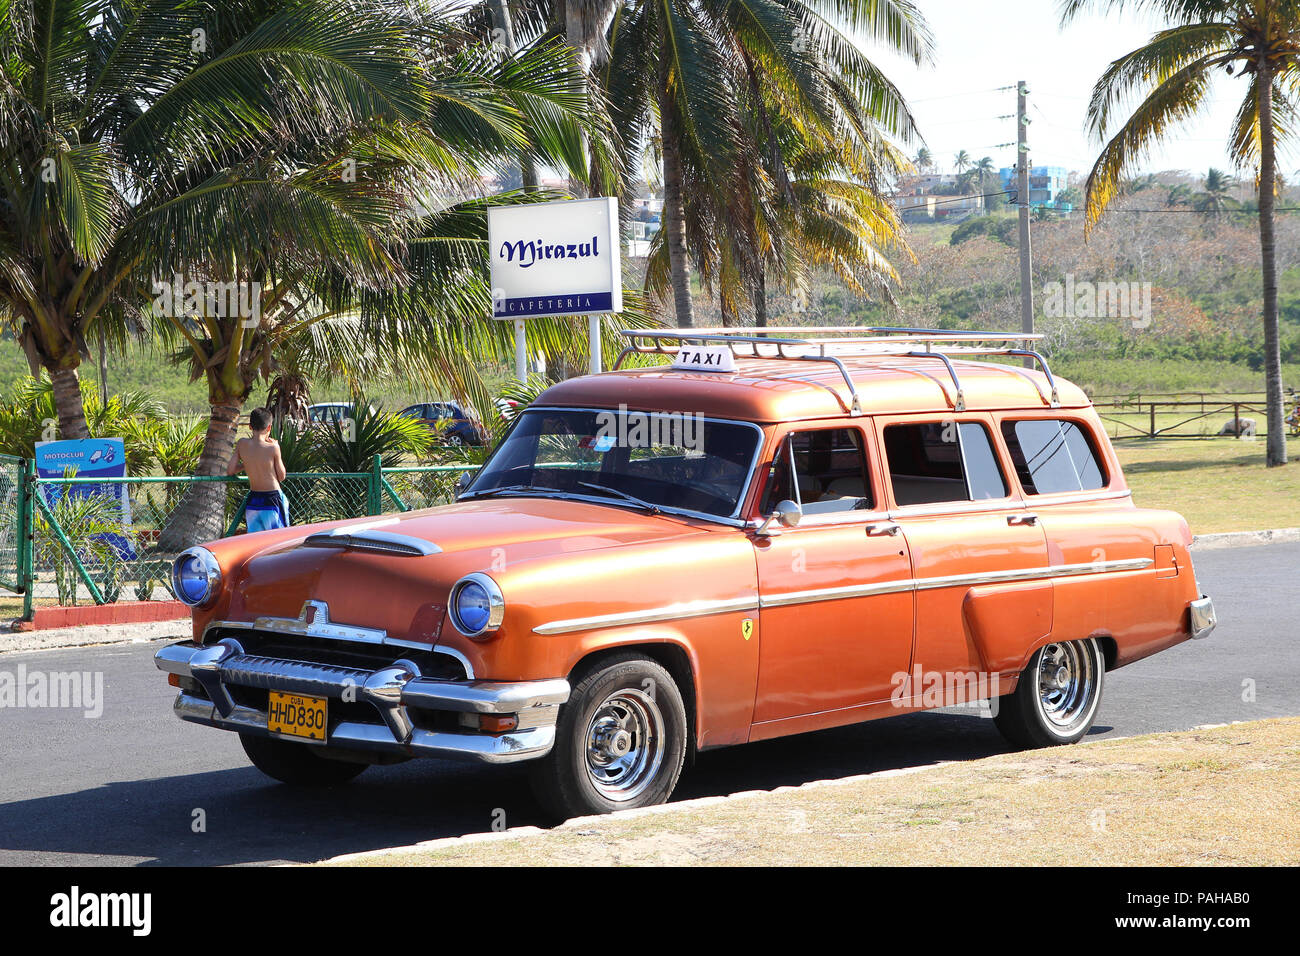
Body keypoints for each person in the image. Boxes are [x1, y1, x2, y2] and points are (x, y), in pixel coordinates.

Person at [227, 408, 289, 532]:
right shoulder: (272, 447)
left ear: (250, 426)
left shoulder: (242, 444)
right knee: (278, 541)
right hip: (272, 498)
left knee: (255, 541)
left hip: (253, 499)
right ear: (269, 427)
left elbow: (231, 470)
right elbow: (281, 476)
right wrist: (277, 448)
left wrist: (248, 463)